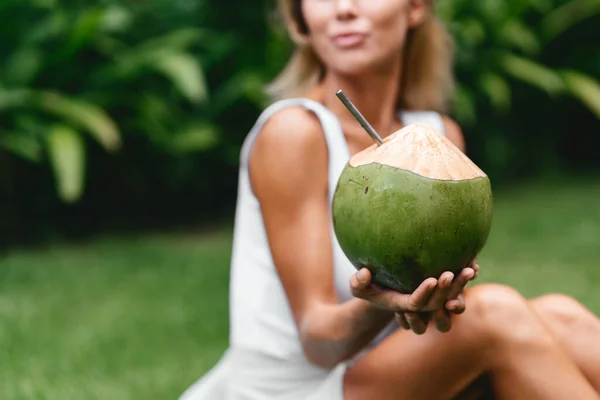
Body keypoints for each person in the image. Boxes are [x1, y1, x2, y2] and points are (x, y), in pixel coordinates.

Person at [180, 0, 600, 399]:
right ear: (300, 21)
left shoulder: (438, 139)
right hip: (301, 389)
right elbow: (318, 341)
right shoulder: (294, 133)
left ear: (415, 7)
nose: (344, 9)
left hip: (387, 373)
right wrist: (384, 303)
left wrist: (435, 302)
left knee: (558, 314)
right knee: (494, 312)